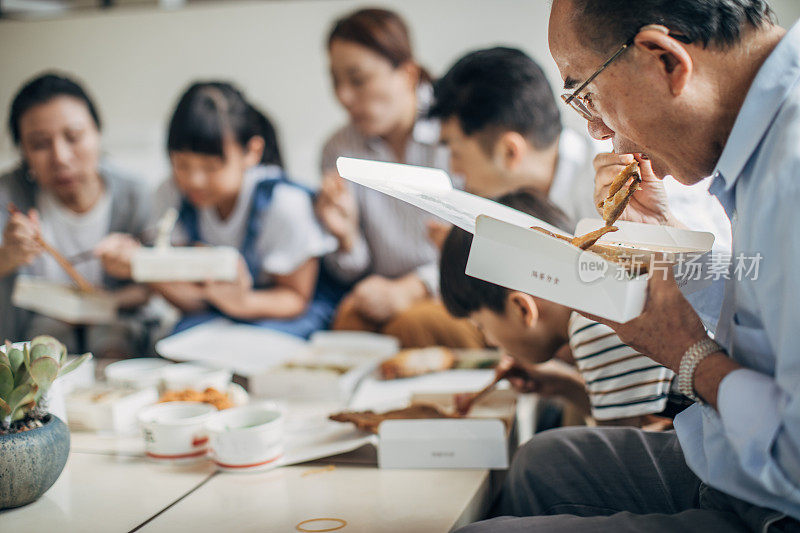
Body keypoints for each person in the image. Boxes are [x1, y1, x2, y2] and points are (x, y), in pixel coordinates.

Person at [460, 0, 800, 531]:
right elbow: (768, 304)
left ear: (664, 60)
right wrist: (665, 242)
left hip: (778, 506)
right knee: (538, 466)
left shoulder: (792, 167)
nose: (595, 131)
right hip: (730, 457)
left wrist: (689, 356)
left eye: (587, 93)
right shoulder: (764, 132)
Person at [316, 8, 483, 348]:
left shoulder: (455, 130)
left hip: (455, 290)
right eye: (336, 81)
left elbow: (487, 242)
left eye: (358, 79)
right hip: (383, 294)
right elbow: (352, 271)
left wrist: (413, 289)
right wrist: (346, 237)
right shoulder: (339, 148)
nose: (344, 97)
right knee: (346, 323)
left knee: (411, 326)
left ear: (407, 74)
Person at [441, 190, 677, 427]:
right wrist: (565, 386)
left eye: (481, 326)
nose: (490, 342)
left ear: (522, 309)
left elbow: (619, 453)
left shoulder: (593, 328)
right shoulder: (605, 290)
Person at [123, 81, 337, 338]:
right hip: (217, 312)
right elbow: (193, 302)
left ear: (251, 152)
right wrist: (141, 266)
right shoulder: (171, 195)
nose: (194, 180)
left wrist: (242, 302)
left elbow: (296, 298)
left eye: (211, 167)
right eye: (181, 164)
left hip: (281, 315)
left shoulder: (284, 204)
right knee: (180, 337)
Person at [0, 72, 151, 356]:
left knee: (114, 339)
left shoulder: (134, 195)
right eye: (39, 144)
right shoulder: (8, 195)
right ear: (23, 153)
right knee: (43, 347)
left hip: (116, 332)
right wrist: (7, 256)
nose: (60, 157)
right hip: (33, 338)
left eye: (74, 137)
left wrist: (123, 282)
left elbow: (152, 289)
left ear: (98, 132)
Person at [430, 46, 599, 228]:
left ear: (510, 151)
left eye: (456, 153)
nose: (454, 170)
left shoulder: (608, 205)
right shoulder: (509, 203)